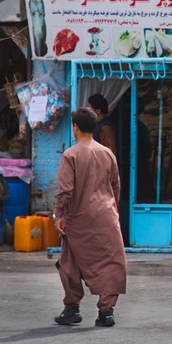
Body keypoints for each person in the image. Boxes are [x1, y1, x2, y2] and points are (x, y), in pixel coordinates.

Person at [53, 107, 128, 327]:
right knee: (110, 261)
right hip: (106, 215)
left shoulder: (71, 155)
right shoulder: (107, 154)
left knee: (70, 262)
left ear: (75, 127)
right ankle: (106, 311)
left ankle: (72, 307)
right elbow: (116, 186)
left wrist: (59, 215)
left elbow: (65, 190)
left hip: (78, 217)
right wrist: (115, 212)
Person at [87, 93, 117, 160]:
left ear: (98, 111)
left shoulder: (106, 128)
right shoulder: (96, 125)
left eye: (90, 110)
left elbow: (110, 154)